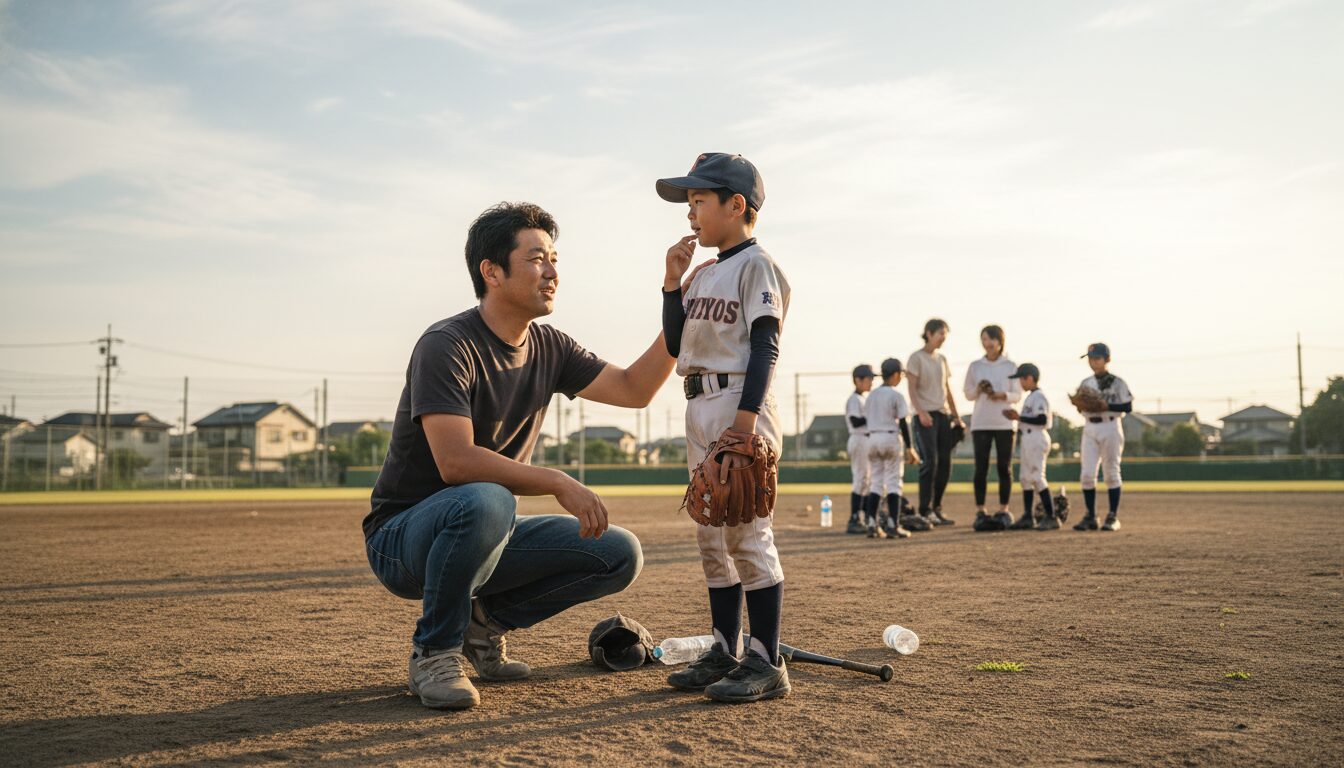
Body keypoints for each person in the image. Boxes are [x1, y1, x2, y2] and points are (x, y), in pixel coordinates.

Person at [362, 202, 676, 710]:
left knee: (618, 552)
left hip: (485, 528)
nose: (552, 272)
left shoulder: (550, 346)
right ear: (491, 271)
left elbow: (634, 389)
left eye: (555, 259)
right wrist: (556, 479)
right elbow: (456, 463)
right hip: (403, 538)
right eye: (536, 259)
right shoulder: (447, 344)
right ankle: (434, 653)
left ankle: (483, 629)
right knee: (487, 499)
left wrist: (677, 312)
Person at [657, 152, 792, 703]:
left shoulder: (757, 264)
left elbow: (766, 344)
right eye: (688, 203)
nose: (691, 213)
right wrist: (670, 285)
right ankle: (725, 647)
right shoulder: (705, 272)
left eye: (699, 201)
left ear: (736, 205)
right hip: (699, 402)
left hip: (740, 399)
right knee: (711, 531)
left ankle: (767, 661)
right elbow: (673, 344)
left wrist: (745, 423)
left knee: (746, 531)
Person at [964, 325, 1021, 531]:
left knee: (1004, 468)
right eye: (984, 340)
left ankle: (1003, 508)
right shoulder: (976, 366)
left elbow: (1018, 394)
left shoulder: (1010, 366)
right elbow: (968, 394)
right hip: (981, 422)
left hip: (1004, 423)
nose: (987, 344)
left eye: (990, 339)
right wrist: (979, 389)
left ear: (999, 341)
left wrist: (1002, 395)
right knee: (981, 468)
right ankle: (981, 509)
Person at [906, 319, 962, 526]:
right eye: (940, 334)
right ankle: (925, 509)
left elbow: (947, 389)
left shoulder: (942, 359)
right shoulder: (916, 358)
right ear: (928, 333)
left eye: (945, 335)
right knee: (930, 462)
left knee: (945, 464)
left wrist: (956, 416)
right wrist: (920, 412)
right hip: (925, 416)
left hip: (942, 415)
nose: (943, 339)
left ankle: (936, 508)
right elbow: (911, 388)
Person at [1073, 343, 1133, 531]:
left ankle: (1112, 516)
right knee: (1087, 475)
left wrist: (1106, 406)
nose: (1093, 362)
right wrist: (1080, 403)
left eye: (1097, 358)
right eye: (1090, 358)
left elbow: (1127, 407)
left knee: (1111, 472)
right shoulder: (1086, 383)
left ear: (1107, 359)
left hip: (1110, 426)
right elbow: (1080, 406)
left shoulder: (1118, 383)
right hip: (1090, 427)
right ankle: (1091, 516)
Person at [863, 358, 918, 539]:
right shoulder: (896, 395)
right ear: (895, 375)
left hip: (872, 438)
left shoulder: (871, 395)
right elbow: (903, 422)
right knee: (894, 482)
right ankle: (893, 525)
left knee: (876, 482)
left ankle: (871, 523)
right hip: (890, 437)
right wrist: (911, 448)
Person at [1002, 363, 1060, 530]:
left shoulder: (1039, 396)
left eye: (1021, 378)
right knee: (1025, 478)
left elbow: (1041, 420)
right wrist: (1017, 418)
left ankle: (1051, 516)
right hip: (1028, 438)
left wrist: (1018, 417)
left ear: (1029, 378)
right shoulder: (1030, 397)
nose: (1020, 382)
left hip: (1036, 437)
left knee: (1036, 477)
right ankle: (1028, 516)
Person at [844, 364, 875, 535]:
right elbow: (855, 421)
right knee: (861, 478)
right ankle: (854, 518)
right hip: (859, 438)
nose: (871, 381)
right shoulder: (854, 399)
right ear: (858, 380)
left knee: (867, 480)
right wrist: (874, 416)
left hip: (866, 440)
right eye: (868, 378)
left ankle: (862, 515)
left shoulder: (863, 399)